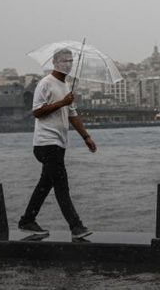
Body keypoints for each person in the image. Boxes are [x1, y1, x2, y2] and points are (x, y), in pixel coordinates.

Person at [18, 48, 96, 239]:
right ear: (55, 62)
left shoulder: (67, 86)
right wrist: (62, 102)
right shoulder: (45, 83)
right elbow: (36, 112)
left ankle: (27, 220)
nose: (68, 64)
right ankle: (76, 227)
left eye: (70, 61)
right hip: (45, 144)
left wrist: (86, 137)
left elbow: (72, 115)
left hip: (59, 144)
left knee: (45, 185)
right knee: (62, 185)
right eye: (64, 60)